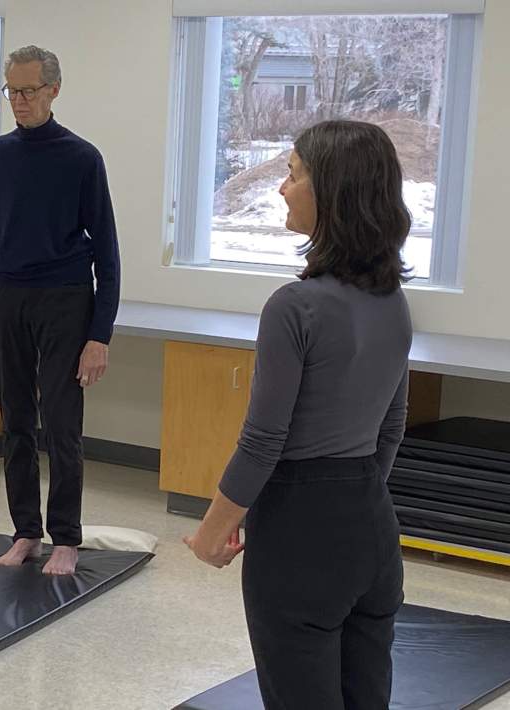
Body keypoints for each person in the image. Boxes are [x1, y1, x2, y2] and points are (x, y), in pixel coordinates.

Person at [184, 120, 412, 709]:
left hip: (298, 535)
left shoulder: (294, 306)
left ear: (330, 191)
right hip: (372, 526)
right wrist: (353, 502)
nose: (282, 188)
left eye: (293, 175)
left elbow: (264, 439)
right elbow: (391, 427)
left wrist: (211, 532)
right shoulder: (393, 301)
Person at [0, 45, 121, 576]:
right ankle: (26, 532)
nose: (19, 100)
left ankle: (67, 538)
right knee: (15, 420)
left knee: (60, 423)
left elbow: (107, 253)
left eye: (29, 91)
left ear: (54, 90)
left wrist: (99, 335)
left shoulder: (82, 158)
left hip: (65, 300)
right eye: (11, 91)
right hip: (6, 297)